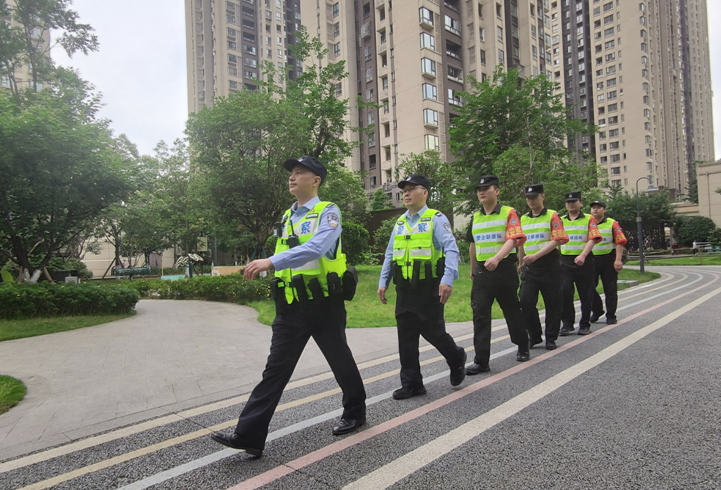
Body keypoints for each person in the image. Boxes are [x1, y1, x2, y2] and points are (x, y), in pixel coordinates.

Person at [210, 156, 367, 456]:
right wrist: (268, 268)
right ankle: (250, 435)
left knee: (339, 359)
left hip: (324, 303)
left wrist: (270, 261)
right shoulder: (287, 217)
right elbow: (289, 255)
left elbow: (317, 247)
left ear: (316, 180)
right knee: (275, 369)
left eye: (299, 173)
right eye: (291, 174)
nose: (292, 178)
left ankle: (355, 412)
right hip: (291, 307)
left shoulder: (328, 212)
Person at [377, 174, 467, 400]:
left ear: (424, 192)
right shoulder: (400, 223)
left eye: (411, 189)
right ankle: (412, 384)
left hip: (429, 287)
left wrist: (448, 278)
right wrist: (383, 281)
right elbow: (390, 254)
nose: (406, 193)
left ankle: (456, 357)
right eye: (404, 190)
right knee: (406, 336)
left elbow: (452, 249)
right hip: (405, 288)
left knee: (434, 332)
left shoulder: (435, 218)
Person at [465, 175, 530, 375]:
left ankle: (522, 345)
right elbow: (473, 244)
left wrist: (498, 258)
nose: (482, 192)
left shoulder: (509, 213)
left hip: (503, 269)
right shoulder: (475, 217)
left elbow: (514, 239)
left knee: (511, 310)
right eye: (479, 190)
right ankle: (481, 361)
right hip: (483, 272)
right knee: (480, 315)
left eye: (486, 188)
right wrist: (473, 268)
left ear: (497, 191)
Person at [518, 184, 569, 351]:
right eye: (528, 198)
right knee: (525, 301)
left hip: (549, 265)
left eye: (534, 197)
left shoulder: (552, 216)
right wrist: (520, 262)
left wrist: (536, 256)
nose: (531, 201)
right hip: (530, 268)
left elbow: (558, 239)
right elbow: (521, 243)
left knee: (553, 303)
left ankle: (551, 338)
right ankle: (534, 335)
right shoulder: (523, 219)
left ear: (543, 197)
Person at [559, 192, 602, 336]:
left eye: (574, 201)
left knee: (586, 294)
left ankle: (584, 324)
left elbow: (593, 238)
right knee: (565, 292)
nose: (571, 204)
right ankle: (567, 323)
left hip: (585, 261)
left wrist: (583, 255)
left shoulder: (589, 219)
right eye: (568, 202)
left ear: (580, 203)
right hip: (565, 261)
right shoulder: (561, 220)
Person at [589, 200, 627, 325]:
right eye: (593, 208)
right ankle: (597, 309)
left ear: (604, 210)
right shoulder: (588, 223)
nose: (595, 210)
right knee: (588, 288)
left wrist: (618, 259)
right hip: (591, 259)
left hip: (608, 259)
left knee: (610, 288)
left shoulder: (612, 223)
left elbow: (620, 241)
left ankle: (611, 315)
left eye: (598, 207)